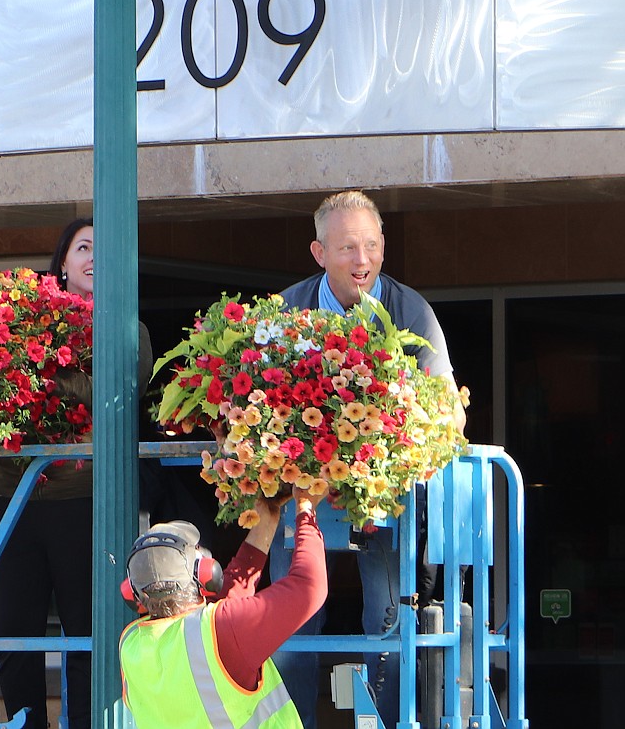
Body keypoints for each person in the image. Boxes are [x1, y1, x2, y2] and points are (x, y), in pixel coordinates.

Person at [272, 190, 466, 729]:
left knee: (387, 617)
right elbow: (255, 406)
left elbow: (447, 409)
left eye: (373, 246)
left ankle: (387, 721)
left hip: (387, 493)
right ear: (318, 253)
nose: (363, 260)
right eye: (348, 248)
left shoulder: (413, 311)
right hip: (301, 493)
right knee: (293, 620)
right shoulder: (286, 310)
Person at [0, 218, 153, 729]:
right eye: (83, 247)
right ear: (63, 262)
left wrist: (50, 373)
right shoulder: (23, 323)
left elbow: (119, 398)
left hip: (87, 502)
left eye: (106, 249)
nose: (94, 257)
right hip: (14, 498)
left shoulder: (131, 329)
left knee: (89, 637)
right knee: (14, 639)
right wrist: (50, 369)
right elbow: (2, 386)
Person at [119, 484, 329, 729]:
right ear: (206, 573)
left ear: (132, 593)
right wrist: (306, 508)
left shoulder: (131, 643)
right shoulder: (219, 631)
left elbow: (218, 614)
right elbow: (309, 587)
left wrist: (266, 521)